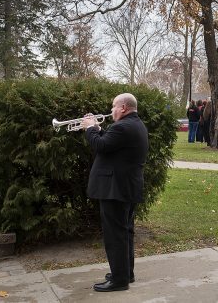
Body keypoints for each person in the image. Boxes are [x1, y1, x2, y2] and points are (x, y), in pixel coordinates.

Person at [81, 93, 149, 292]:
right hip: (126, 187)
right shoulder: (135, 125)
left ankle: (119, 280)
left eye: (113, 107)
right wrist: (99, 129)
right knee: (125, 231)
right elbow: (111, 143)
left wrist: (90, 129)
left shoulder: (122, 127)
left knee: (115, 235)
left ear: (123, 108)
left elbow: (100, 146)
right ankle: (125, 273)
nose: (111, 110)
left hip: (116, 189)